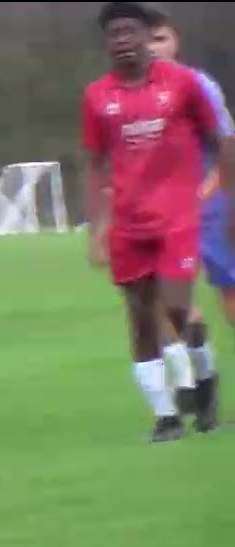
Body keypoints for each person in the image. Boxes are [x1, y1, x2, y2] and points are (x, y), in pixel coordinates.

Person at [81, 1, 234, 442]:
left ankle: (195, 383)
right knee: (139, 317)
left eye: (131, 31)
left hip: (178, 217)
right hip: (130, 222)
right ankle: (167, 416)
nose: (123, 40)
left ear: (149, 38)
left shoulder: (184, 84)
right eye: (114, 34)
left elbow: (221, 138)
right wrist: (97, 227)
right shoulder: (96, 97)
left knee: (174, 304)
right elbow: (94, 162)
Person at [146, 6, 233, 431]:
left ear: (175, 41)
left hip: (214, 202)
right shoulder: (130, 95)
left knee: (231, 302)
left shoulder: (198, 86)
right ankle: (202, 382)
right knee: (171, 302)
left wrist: (206, 193)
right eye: (146, 41)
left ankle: (202, 386)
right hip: (164, 212)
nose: (153, 48)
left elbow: (227, 145)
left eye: (160, 39)